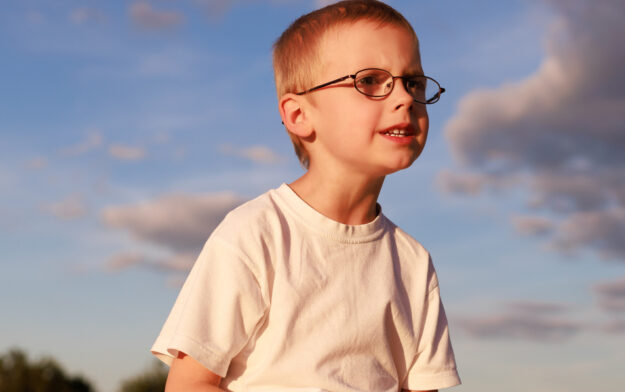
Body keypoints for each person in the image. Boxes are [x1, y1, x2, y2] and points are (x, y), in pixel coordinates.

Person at [150, 1, 460, 391]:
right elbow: (190, 384)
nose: (404, 97)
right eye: (370, 81)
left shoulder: (413, 264)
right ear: (299, 115)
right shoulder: (255, 234)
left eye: (412, 82)